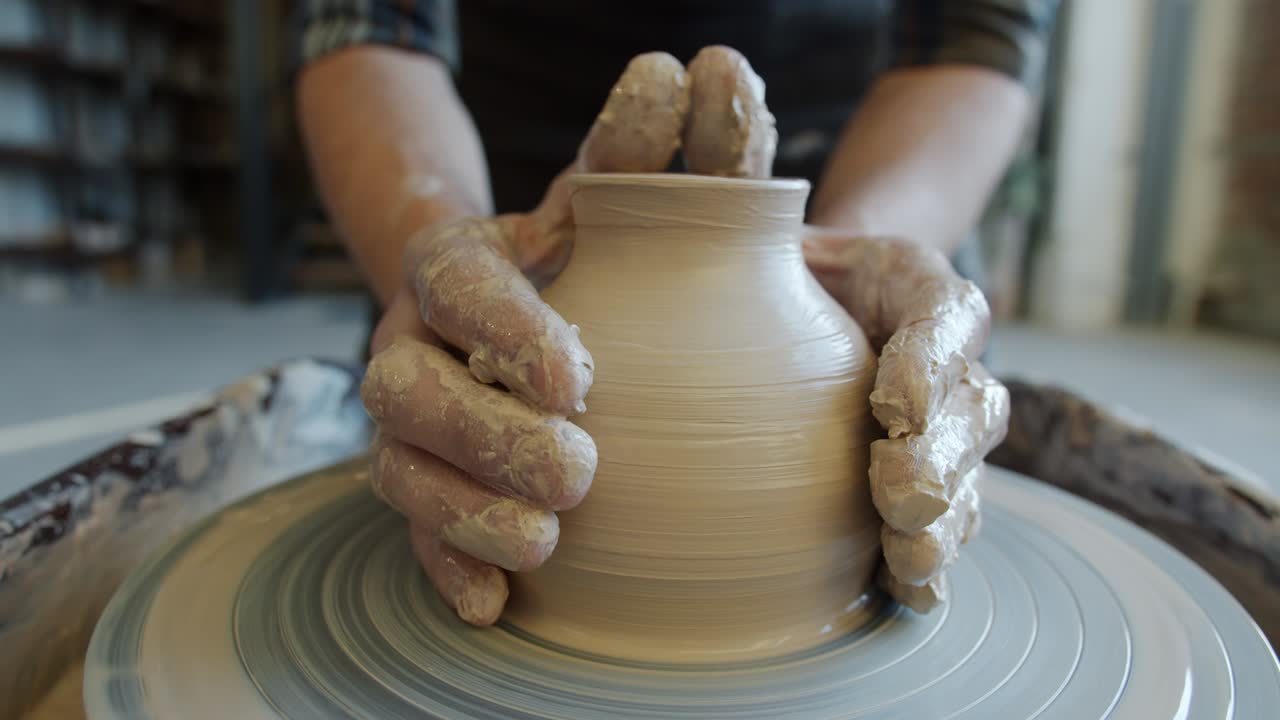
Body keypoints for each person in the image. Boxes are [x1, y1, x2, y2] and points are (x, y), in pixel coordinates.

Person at [294, 1, 1057, 625]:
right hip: (490, 189)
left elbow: (978, 35)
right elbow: (365, 28)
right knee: (486, 401)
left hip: (877, 164)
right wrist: (437, 250)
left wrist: (852, 272)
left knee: (911, 421)